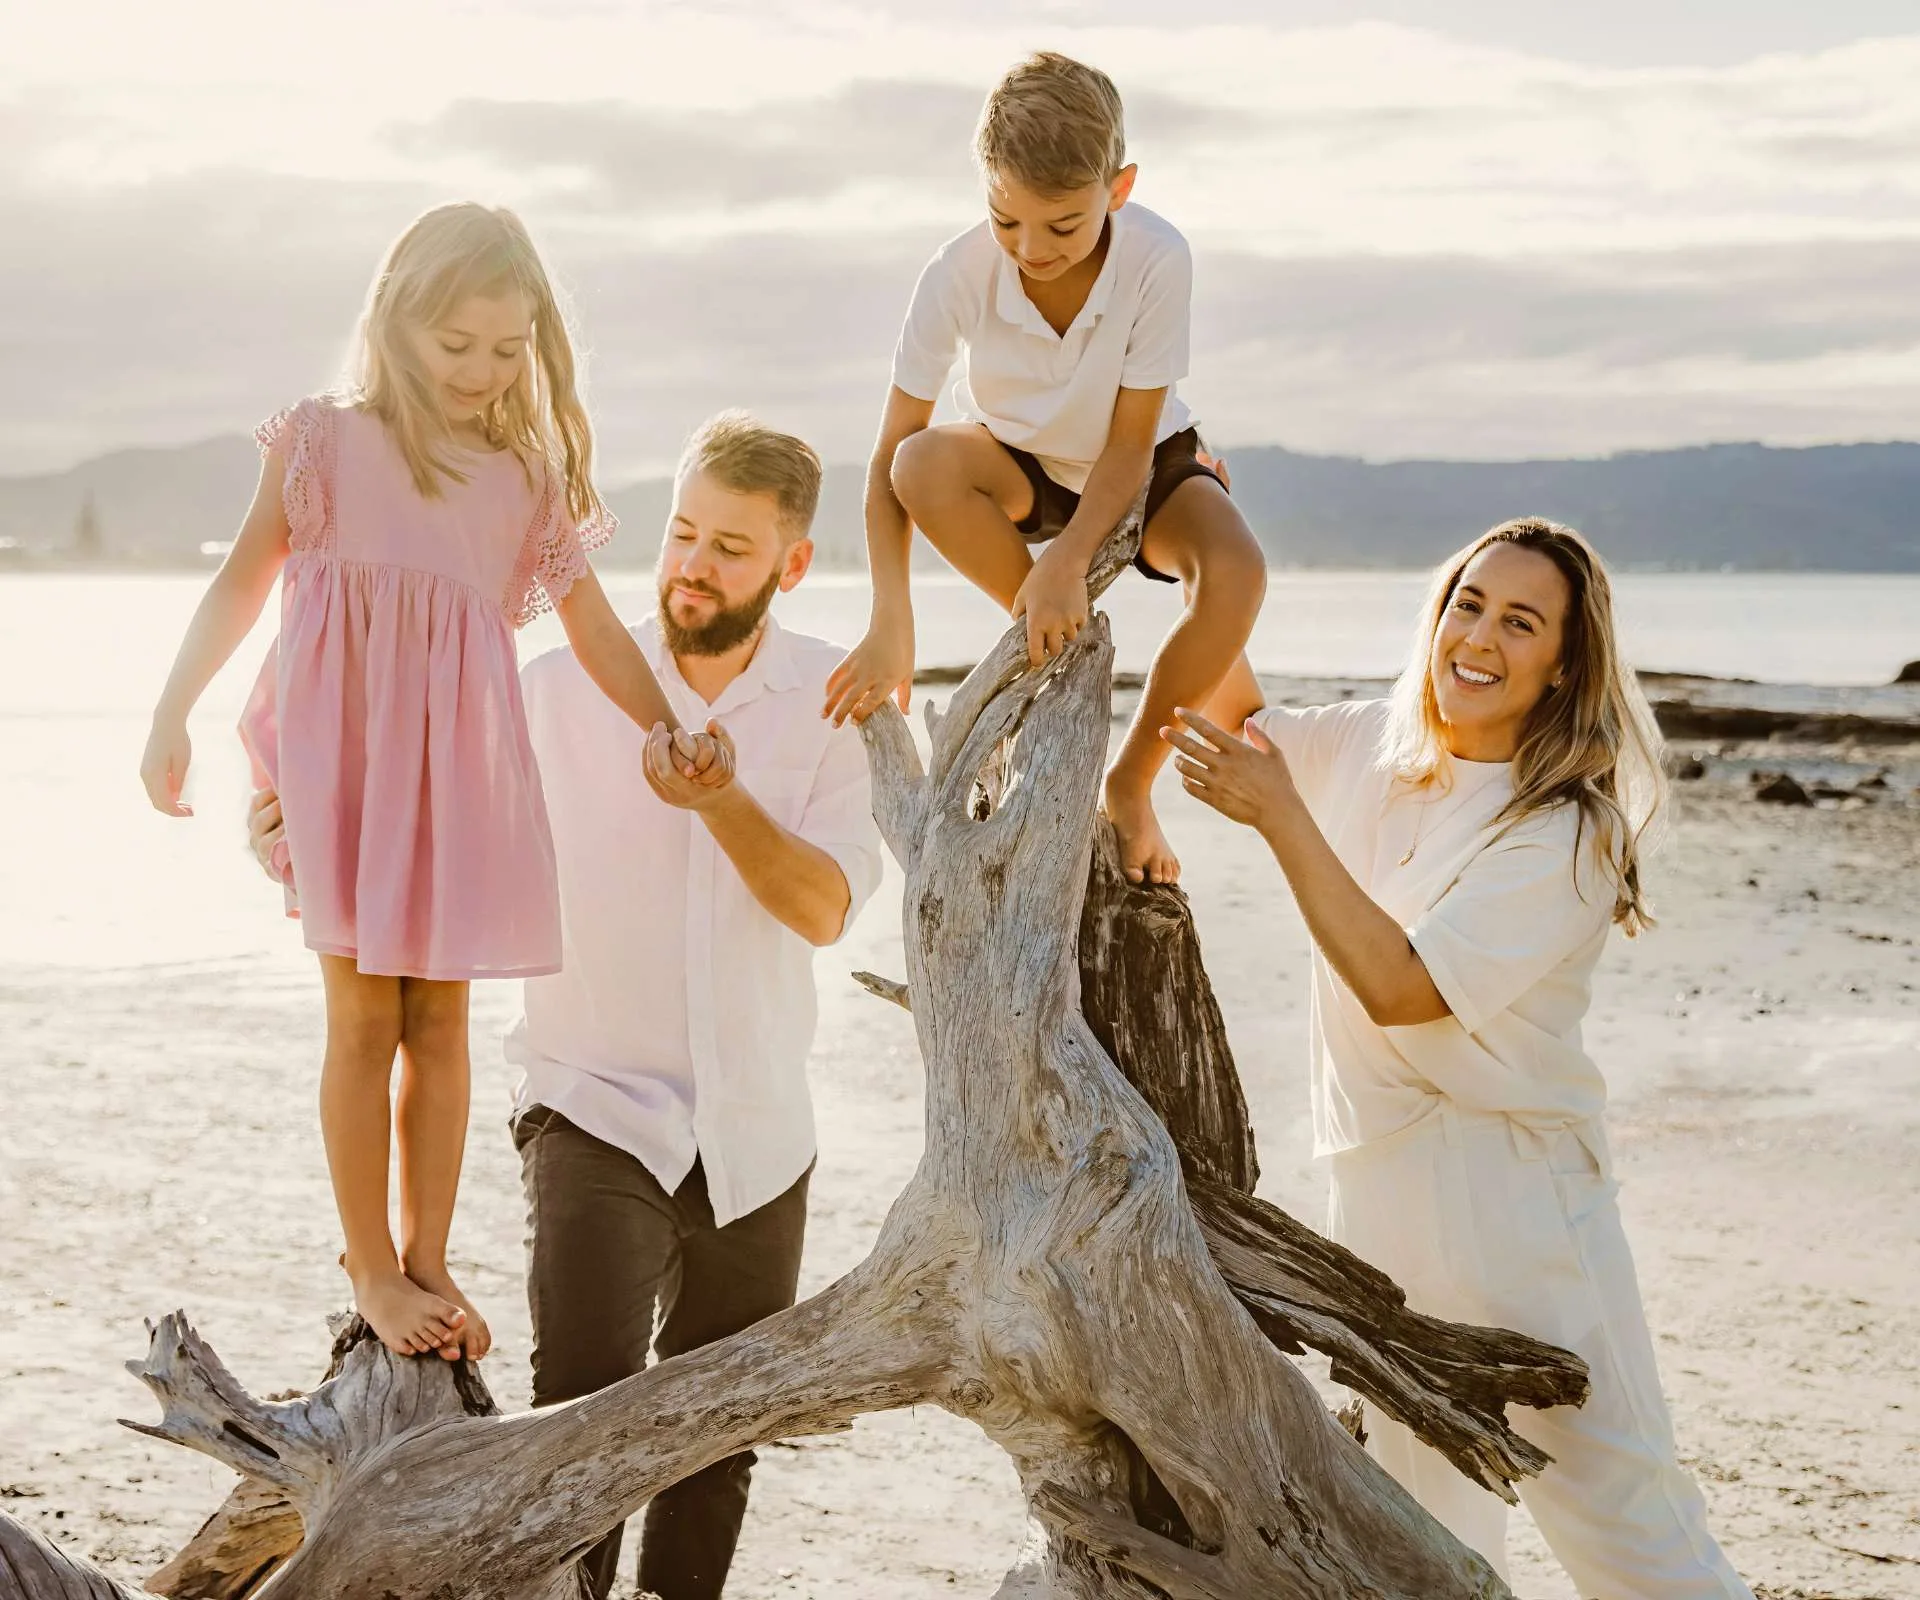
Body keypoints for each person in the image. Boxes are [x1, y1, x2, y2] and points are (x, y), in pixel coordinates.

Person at [250, 411, 881, 1600]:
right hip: (591, 1099)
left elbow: (823, 907)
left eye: (731, 548)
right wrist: (285, 813)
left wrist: (720, 798)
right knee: (580, 1414)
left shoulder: (837, 706)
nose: (693, 562)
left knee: (716, 1437)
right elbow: (402, 792)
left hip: (759, 1126)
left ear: (793, 564)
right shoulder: (550, 689)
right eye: (684, 532)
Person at [141, 202, 720, 1363]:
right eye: (455, 344)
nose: (480, 371)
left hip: (457, 779)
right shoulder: (320, 442)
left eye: (506, 350)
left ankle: (430, 1255)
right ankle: (368, 1263)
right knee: (363, 1017)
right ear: (397, 322)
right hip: (342, 764)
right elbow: (245, 583)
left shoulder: (525, 478)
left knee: (441, 1022)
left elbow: (599, 629)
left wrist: (670, 723)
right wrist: (172, 711)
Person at [1163, 518, 1754, 1598]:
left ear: (1566, 664)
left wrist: (1284, 821)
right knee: (1424, 1543)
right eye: (1467, 604)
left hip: (1518, 1211)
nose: (1478, 636)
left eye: (1520, 621)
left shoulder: (1571, 831)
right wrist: (1189, 532)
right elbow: (1225, 709)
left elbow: (1405, 988)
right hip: (1378, 1204)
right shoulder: (1369, 748)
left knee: (1632, 1533)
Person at [822, 49, 1266, 887]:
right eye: (1005, 220)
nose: (1032, 248)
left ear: (1119, 189)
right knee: (922, 464)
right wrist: (893, 617)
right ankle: (1061, 651)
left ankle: (1128, 784)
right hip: (1020, 464)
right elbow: (889, 454)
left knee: (1238, 571)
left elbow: (1132, 446)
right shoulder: (953, 275)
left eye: (1063, 225)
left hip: (1145, 459)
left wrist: (1069, 557)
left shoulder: (1159, 259)